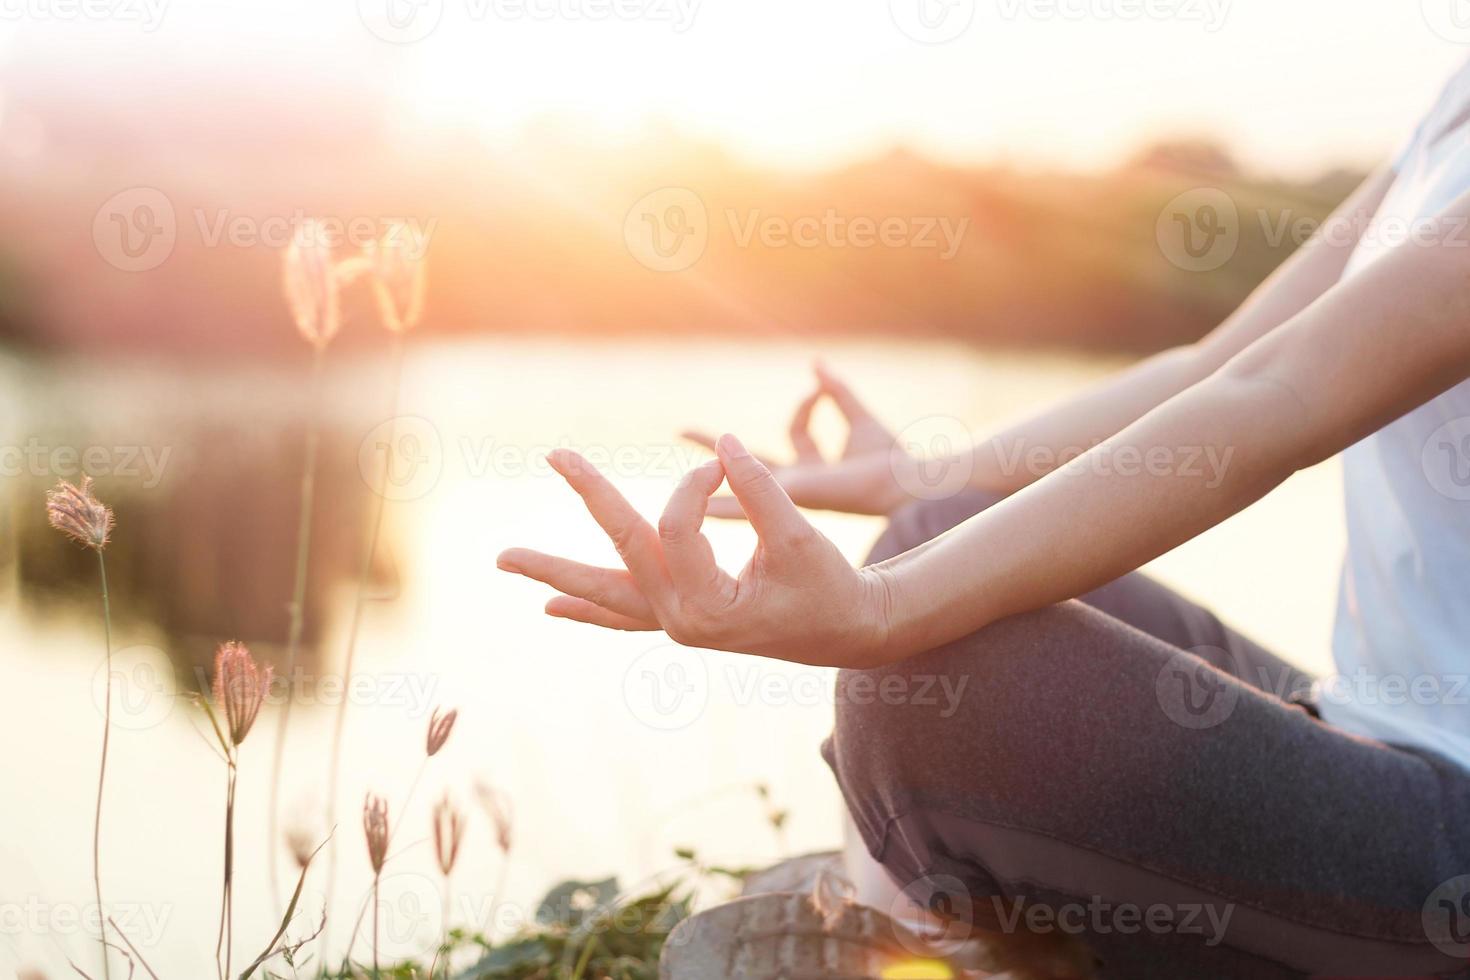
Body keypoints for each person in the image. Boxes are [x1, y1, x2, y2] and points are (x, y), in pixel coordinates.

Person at [498, 60, 1470, 977]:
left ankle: (920, 936)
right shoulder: (1452, 103)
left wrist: (881, 608)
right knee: (940, 529)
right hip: (1375, 723)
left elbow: (1279, 397)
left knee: (928, 676)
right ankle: (925, 927)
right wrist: (923, 477)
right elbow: (1218, 362)